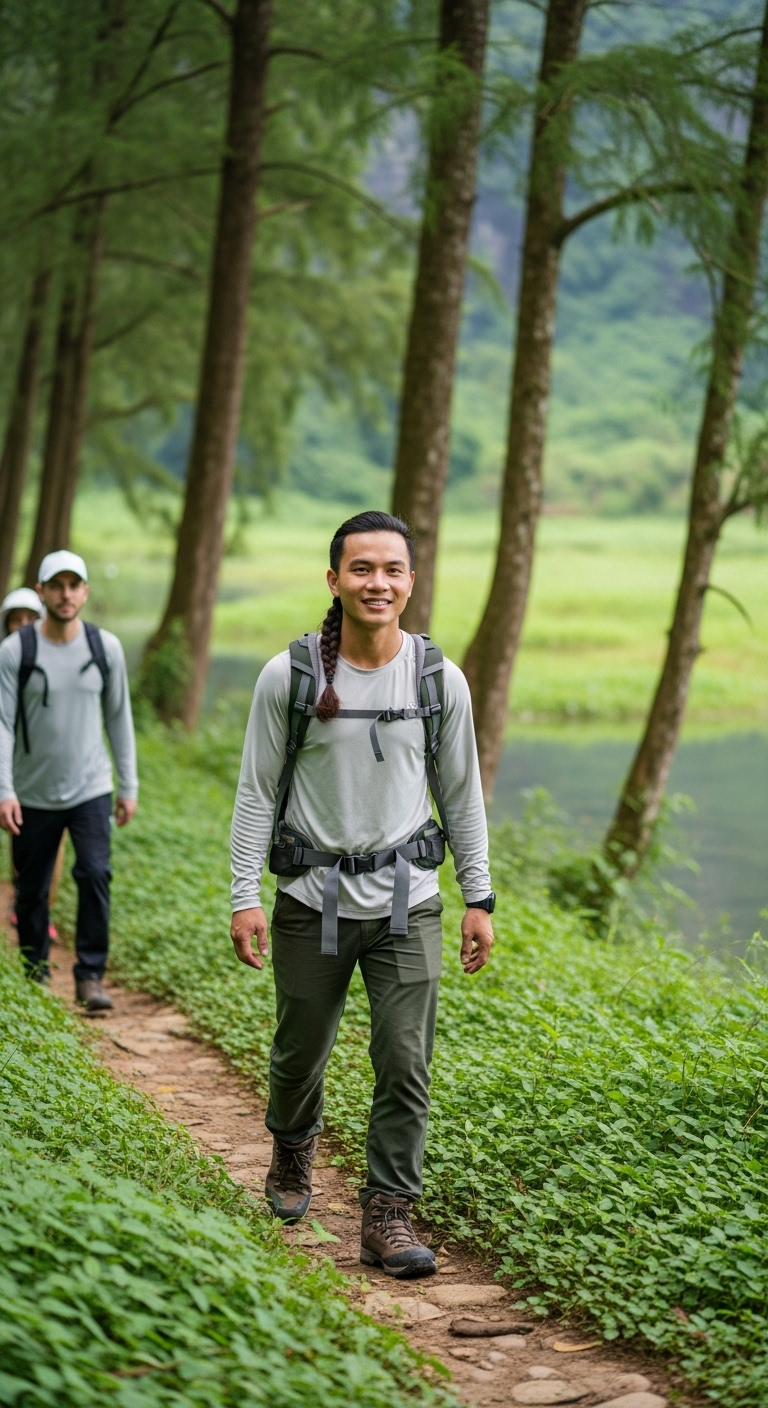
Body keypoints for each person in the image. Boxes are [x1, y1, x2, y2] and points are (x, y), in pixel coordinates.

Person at [230, 511, 495, 1280]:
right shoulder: (290, 676)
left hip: (409, 904)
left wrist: (479, 896)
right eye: (362, 568)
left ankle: (388, 1211)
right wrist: (244, 896)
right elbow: (255, 794)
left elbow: (463, 795)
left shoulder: (438, 680)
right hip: (310, 900)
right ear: (335, 580)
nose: (377, 582)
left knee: (405, 1060)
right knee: (299, 1054)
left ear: (411, 580)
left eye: (392, 569)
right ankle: (292, 1146)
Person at [0, 551, 138, 1011]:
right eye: (56, 586)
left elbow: (119, 717)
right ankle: (34, 972)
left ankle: (90, 976)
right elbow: (2, 724)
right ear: (41, 592)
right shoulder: (16, 650)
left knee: (95, 873)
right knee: (32, 888)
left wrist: (128, 785)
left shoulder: (105, 648)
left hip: (90, 787)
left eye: (73, 585)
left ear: (85, 592)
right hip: (32, 792)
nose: (65, 594)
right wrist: (5, 790)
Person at [1, 588, 63, 942]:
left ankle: (43, 911)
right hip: (13, 770)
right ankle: (24, 899)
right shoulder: (6, 661)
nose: (23, 625)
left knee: (55, 846)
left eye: (29, 618)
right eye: (16, 620)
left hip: (51, 772)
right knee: (21, 839)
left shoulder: (56, 661)